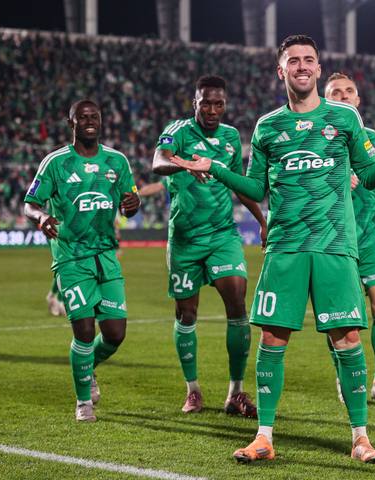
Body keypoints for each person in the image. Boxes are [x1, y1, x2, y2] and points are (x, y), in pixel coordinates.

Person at [171, 35, 375, 464]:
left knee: (347, 338)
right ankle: (263, 437)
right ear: (281, 70)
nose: (302, 66)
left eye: (309, 60)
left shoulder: (345, 117)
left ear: (318, 68)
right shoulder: (267, 126)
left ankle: (361, 439)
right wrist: (216, 169)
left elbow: (368, 177)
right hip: (286, 248)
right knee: (272, 338)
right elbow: (256, 189)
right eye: (293, 60)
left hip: (334, 246)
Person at [152, 75, 267, 417]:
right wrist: (185, 164)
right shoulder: (178, 131)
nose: (213, 110)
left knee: (238, 302)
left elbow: (239, 185)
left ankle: (236, 392)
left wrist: (262, 220)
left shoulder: (230, 137)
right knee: (186, 313)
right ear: (195, 104)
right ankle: (193, 390)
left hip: (222, 235)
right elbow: (158, 161)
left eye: (219, 104)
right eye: (206, 103)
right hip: (185, 239)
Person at [24, 99, 140, 422]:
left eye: (95, 117)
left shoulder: (117, 161)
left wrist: (133, 205)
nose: (90, 121)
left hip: (106, 256)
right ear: (71, 123)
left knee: (115, 334)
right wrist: (41, 216)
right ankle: (83, 402)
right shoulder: (56, 163)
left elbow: (130, 200)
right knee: (85, 331)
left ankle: (89, 369)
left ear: (101, 121)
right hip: (71, 258)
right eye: (83, 117)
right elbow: (30, 203)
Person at [324, 72, 375, 411]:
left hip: (371, 236)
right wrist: (337, 180)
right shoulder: (315, 138)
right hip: (334, 239)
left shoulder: (371, 138)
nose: (344, 96)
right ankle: (343, 377)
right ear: (326, 100)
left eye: (349, 91)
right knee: (341, 318)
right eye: (336, 92)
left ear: (358, 100)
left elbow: (374, 181)